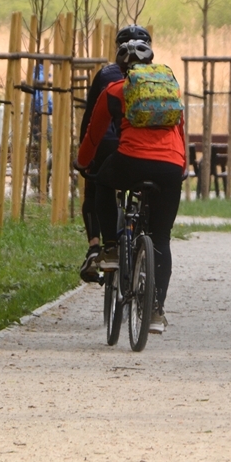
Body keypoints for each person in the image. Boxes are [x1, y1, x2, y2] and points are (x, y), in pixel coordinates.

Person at [76, 38, 185, 335]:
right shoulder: (170, 88)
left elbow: (94, 135)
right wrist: (181, 167)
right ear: (151, 64)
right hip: (170, 166)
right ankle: (156, 311)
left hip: (131, 160)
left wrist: (83, 163)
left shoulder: (114, 90)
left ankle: (111, 248)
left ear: (121, 67)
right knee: (161, 238)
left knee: (102, 181)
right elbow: (180, 129)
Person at [76, 25, 151, 282]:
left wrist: (83, 158)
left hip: (107, 144)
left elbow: (90, 120)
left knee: (95, 185)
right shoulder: (160, 78)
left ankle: (96, 246)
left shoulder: (106, 74)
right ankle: (149, 239)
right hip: (145, 149)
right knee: (149, 186)